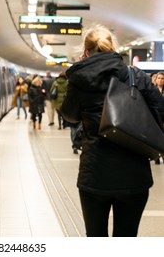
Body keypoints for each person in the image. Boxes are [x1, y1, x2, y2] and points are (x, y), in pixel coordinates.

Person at [60, 25, 164, 237]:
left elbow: (70, 116)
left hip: (95, 173)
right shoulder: (137, 76)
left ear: (86, 51)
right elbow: (160, 111)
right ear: (113, 47)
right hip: (134, 173)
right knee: (126, 238)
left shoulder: (79, 79)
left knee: (95, 238)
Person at [154, 72, 164, 164]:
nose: (160, 80)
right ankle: (157, 157)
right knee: (156, 137)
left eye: (162, 78)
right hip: (156, 116)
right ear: (156, 79)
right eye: (159, 78)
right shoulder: (152, 90)